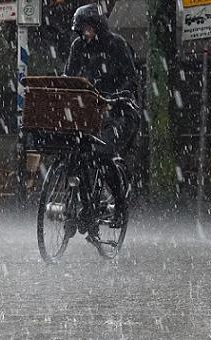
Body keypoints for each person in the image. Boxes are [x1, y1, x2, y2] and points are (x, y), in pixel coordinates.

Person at [63, 3, 140, 232]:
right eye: (81, 30)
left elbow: (130, 78)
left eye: (88, 28)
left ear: (98, 26)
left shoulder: (117, 45)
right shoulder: (78, 46)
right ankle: (85, 201)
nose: (85, 34)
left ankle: (119, 205)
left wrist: (117, 97)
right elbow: (70, 75)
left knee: (103, 154)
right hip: (91, 112)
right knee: (77, 150)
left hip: (120, 112)